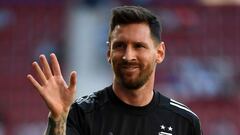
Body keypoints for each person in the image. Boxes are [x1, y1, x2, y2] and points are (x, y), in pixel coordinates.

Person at [27, 6, 202, 135]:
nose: (128, 56)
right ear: (108, 52)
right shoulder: (82, 114)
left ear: (160, 52)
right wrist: (57, 119)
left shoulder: (184, 122)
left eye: (139, 46)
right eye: (119, 46)